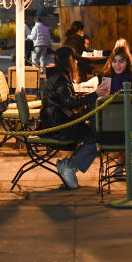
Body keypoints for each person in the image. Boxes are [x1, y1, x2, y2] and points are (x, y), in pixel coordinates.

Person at [43, 46, 110, 189]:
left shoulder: (58, 75)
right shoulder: (61, 78)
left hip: (54, 121)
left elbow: (66, 101)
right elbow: (68, 102)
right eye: (74, 59)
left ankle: (69, 164)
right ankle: (69, 166)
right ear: (69, 61)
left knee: (92, 132)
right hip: (58, 126)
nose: (76, 63)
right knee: (94, 136)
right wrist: (95, 94)